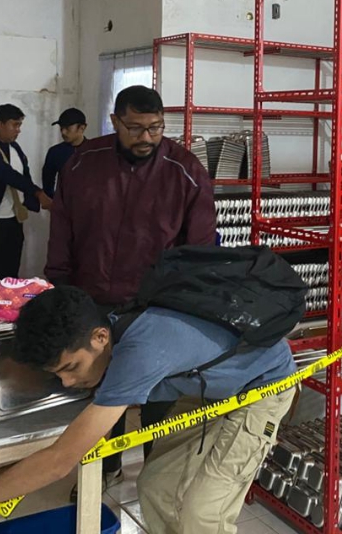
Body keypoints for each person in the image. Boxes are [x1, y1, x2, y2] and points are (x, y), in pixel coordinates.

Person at [0, 285, 297, 534]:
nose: (68, 382)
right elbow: (61, 445)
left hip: (260, 387)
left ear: (100, 337)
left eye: (71, 368)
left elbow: (60, 461)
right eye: (58, 373)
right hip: (205, 389)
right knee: (154, 487)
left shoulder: (139, 354)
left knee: (202, 513)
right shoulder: (111, 337)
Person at [46, 85, 216, 486]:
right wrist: (60, 285)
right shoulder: (82, 164)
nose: (146, 137)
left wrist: (188, 305)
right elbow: (62, 230)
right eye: (135, 128)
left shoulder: (185, 170)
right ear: (115, 122)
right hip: (92, 300)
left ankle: (155, 474)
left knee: (158, 394)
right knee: (103, 391)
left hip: (154, 307)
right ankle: (107, 469)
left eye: (155, 128)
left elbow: (200, 250)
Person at [0, 104, 52, 279]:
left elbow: (24, 176)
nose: (18, 130)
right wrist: (38, 193)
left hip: (13, 221)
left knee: (10, 275)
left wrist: (34, 199)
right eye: (14, 125)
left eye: (19, 125)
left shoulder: (15, 148)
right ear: (0, 124)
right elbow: (9, 175)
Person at [42, 107, 88, 198]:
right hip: (64, 203)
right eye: (61, 128)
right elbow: (48, 182)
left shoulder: (93, 151)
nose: (63, 132)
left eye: (67, 128)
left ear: (82, 128)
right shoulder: (55, 152)